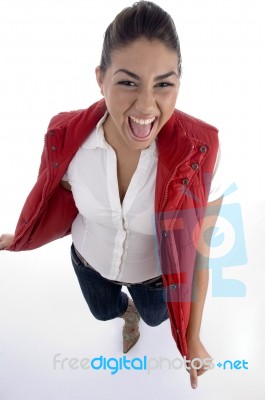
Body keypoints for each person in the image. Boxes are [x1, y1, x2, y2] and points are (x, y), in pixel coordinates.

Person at [0, 0, 224, 390]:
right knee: (104, 313)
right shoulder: (66, 139)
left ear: (178, 84)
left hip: (155, 279)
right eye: (128, 81)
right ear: (101, 78)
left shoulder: (202, 154)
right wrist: (21, 236)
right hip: (89, 261)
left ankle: (142, 313)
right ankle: (125, 312)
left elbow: (200, 252)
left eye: (164, 84)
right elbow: (56, 193)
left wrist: (191, 337)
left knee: (157, 317)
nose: (146, 106)